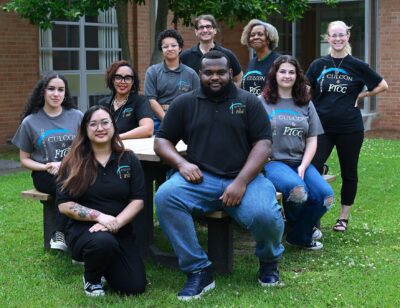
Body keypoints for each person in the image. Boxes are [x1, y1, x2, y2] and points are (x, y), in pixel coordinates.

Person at [154, 50, 284, 301]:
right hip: (201, 178)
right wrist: (181, 164)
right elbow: (162, 141)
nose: (215, 77)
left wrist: (241, 182)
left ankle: (268, 262)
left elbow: (264, 145)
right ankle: (199, 269)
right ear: (199, 74)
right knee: (166, 197)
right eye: (209, 73)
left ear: (230, 74)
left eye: (221, 72)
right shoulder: (185, 103)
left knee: (265, 215)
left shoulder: (249, 102)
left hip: (246, 178)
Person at [306, 20, 388, 232]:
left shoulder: (357, 65)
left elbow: (382, 85)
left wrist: (363, 94)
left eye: (341, 35)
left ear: (347, 36)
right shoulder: (318, 65)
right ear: (327, 38)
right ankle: (312, 214)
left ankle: (343, 217)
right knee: (312, 166)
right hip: (321, 126)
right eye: (333, 35)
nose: (338, 39)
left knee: (349, 171)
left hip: (350, 128)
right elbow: (306, 89)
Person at [56, 105, 147, 297]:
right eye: (93, 124)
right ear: (85, 130)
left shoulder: (129, 159)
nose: (100, 128)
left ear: (114, 126)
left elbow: (138, 200)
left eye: (105, 122)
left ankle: (103, 265)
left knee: (133, 287)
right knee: (103, 243)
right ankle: (92, 279)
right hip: (84, 229)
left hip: (118, 229)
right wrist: (99, 217)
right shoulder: (73, 162)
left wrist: (115, 222)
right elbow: (65, 205)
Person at [259, 55, 334, 250]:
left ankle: (297, 235)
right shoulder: (262, 102)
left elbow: (312, 139)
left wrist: (303, 165)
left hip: (300, 161)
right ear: (274, 75)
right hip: (273, 162)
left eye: (291, 72)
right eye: (282, 71)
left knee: (326, 197)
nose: (287, 75)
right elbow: (251, 133)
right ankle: (302, 229)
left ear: (297, 76)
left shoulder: (305, 103)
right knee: (298, 192)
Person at [12, 72, 83, 251]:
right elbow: (24, 160)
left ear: (65, 93)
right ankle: (61, 233)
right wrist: (46, 166)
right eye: (51, 89)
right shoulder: (30, 122)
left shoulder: (76, 116)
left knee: (71, 180)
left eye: (61, 90)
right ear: (42, 92)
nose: (56, 94)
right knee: (65, 182)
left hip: (74, 171)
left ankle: (70, 236)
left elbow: (85, 149)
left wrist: (65, 165)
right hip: (44, 174)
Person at [144, 29, 200, 132]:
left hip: (185, 118)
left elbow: (197, 100)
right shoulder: (152, 72)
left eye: (173, 45)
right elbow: (151, 100)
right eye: (165, 46)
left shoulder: (191, 74)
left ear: (180, 48)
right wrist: (168, 120)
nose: (170, 49)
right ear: (161, 50)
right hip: (158, 119)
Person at [180, 14, 243, 87]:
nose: (205, 30)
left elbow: (239, 79)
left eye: (208, 27)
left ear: (215, 30)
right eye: (201, 27)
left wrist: (229, 95)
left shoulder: (227, 54)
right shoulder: (185, 56)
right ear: (196, 32)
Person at [97, 60, 153, 139]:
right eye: (118, 77)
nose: (122, 82)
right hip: (105, 149)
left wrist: (117, 138)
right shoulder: (102, 104)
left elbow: (148, 130)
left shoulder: (140, 101)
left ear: (133, 81)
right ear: (112, 80)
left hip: (131, 149)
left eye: (127, 78)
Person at [240, 19, 280, 95]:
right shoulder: (251, 62)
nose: (255, 37)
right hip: (251, 105)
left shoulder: (279, 61)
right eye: (252, 35)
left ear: (269, 38)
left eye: (260, 34)